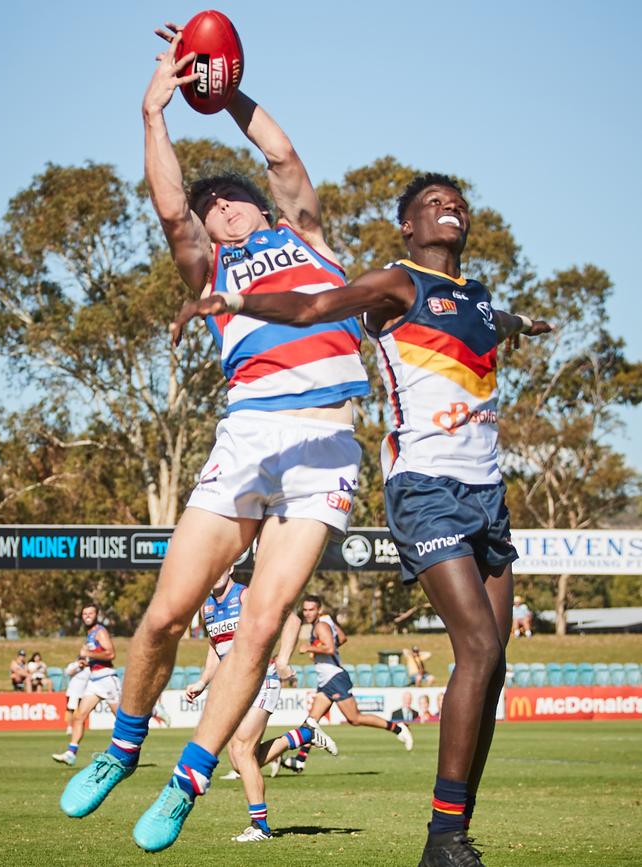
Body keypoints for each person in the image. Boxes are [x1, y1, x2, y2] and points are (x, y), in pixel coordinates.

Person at [174, 174, 552, 866]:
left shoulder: (477, 295)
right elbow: (315, 303)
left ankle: (452, 829)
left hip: (488, 493)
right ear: (407, 227)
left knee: (496, 666)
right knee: (479, 650)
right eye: (432, 204)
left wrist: (523, 324)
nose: (450, 208)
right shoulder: (395, 284)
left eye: (457, 201)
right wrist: (233, 297)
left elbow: (489, 321)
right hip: (426, 487)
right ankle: (445, 837)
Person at [59, 22, 368, 853]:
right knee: (164, 615)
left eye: (223, 200)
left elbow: (284, 154)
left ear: (257, 206)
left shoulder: (303, 233)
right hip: (249, 434)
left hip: (327, 442)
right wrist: (156, 112)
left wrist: (222, 90)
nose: (211, 210)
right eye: (206, 207)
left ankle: (186, 783)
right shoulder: (212, 271)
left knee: (264, 624)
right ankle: (121, 750)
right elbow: (166, 207)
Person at [185, 567, 335, 843]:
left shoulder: (245, 596)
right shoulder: (207, 608)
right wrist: (203, 681)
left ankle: (260, 826)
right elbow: (215, 648)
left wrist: (284, 660)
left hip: (261, 678)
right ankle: (304, 735)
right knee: (241, 760)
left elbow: (290, 619)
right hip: (235, 685)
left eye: (222, 566)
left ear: (230, 568)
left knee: (242, 751)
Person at [276, 594, 414, 776]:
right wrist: (321, 648)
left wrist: (310, 648)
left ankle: (398, 727)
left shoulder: (321, 625)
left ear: (319, 610)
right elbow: (342, 638)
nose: (307, 613)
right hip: (326, 681)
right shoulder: (325, 624)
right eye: (305, 609)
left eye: (311, 609)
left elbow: (331, 648)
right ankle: (299, 761)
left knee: (354, 718)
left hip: (334, 678)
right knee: (311, 722)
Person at [53, 603, 120, 766]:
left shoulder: (100, 631)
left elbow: (111, 653)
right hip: (94, 680)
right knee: (79, 716)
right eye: (84, 614)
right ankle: (71, 753)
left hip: (107, 679)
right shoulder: (89, 634)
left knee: (122, 719)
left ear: (96, 615)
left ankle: (152, 711)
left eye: (90, 613)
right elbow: (94, 655)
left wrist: (88, 653)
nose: (87, 616)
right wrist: (85, 660)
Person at [63, 655, 90, 735]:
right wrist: (78, 666)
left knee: (81, 712)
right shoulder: (73, 665)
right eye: (81, 659)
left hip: (84, 693)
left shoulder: (88, 668)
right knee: (70, 710)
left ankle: (79, 727)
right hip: (73, 692)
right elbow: (68, 672)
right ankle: (69, 727)